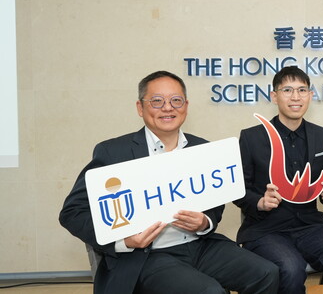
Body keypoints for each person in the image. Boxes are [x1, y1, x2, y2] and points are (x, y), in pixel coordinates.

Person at [59, 71, 279, 294]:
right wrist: (125, 241)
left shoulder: (203, 149)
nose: (167, 108)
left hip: (199, 246)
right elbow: (72, 212)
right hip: (147, 256)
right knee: (209, 291)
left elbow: (215, 200)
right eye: (157, 101)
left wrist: (204, 222)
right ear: (139, 107)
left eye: (176, 100)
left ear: (186, 105)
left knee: (266, 273)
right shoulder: (114, 152)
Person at [234, 66, 323, 294]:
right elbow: (239, 189)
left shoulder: (322, 135)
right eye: (287, 90)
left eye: (302, 90)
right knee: (291, 267)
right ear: (274, 96)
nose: (296, 97)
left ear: (310, 95)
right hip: (265, 229)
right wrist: (259, 202)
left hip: (310, 225)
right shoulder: (252, 137)